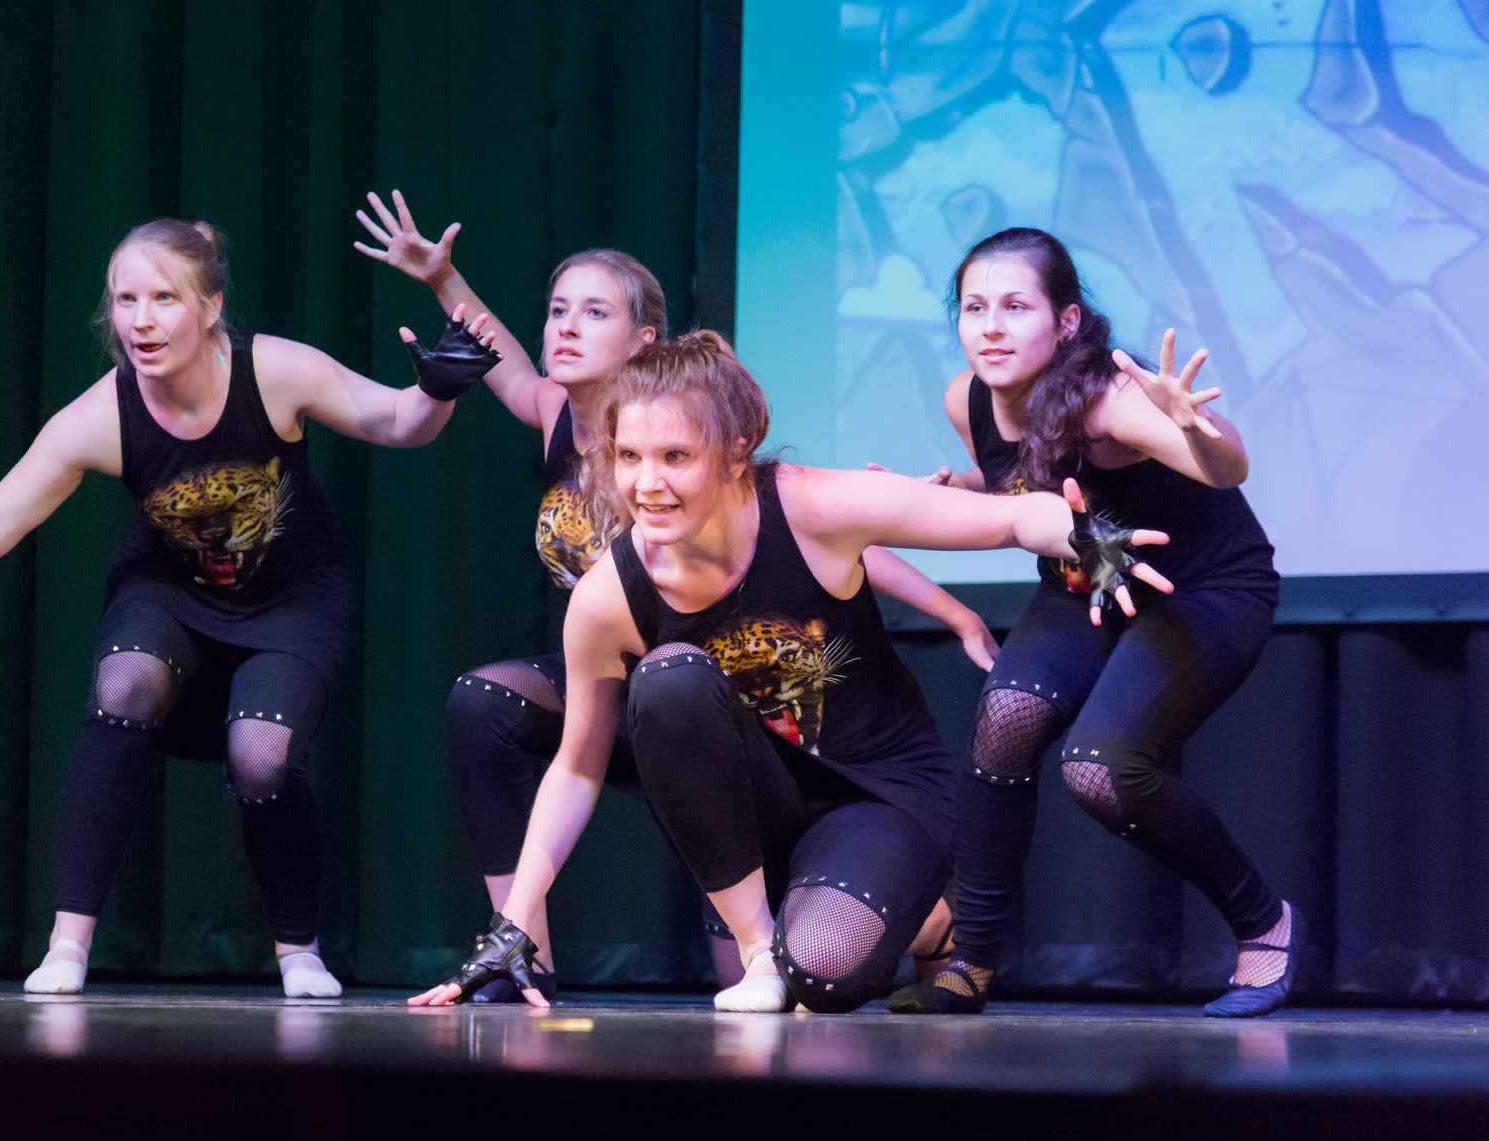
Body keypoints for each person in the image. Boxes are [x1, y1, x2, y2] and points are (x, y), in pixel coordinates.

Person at [0, 218, 499, 997]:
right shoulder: (102, 415)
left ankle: (298, 950)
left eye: (164, 298)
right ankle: (68, 946)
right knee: (124, 685)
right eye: (125, 300)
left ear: (210, 306)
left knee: (261, 757)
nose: (141, 320)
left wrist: (439, 388)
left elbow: (398, 422)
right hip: (169, 590)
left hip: (293, 597)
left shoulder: (274, 371)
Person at [409, 330, 1166, 1012]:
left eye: (676, 457)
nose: (647, 483)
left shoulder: (814, 508)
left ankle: (931, 922)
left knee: (826, 976)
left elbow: (1011, 518)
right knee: (670, 675)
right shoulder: (608, 598)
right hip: (752, 805)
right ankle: (758, 950)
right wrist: (515, 922)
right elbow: (578, 766)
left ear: (737, 450)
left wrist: (1083, 536)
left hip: (878, 793)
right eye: (629, 457)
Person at [356, 192, 985, 997]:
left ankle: (904, 917)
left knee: (793, 973)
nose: (565, 328)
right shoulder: (555, 414)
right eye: (557, 311)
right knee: (484, 702)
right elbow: (497, 349)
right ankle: (522, 946)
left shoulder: (697, 442)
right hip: (636, 689)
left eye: (594, 312)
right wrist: (443, 280)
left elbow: (822, 543)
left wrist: (953, 608)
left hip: (715, 700)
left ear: (644, 341)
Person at [889, 226, 1297, 1019]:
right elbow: (1025, 481)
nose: (991, 327)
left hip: (1202, 589)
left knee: (1099, 770)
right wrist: (948, 491)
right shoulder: (967, 398)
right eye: (974, 308)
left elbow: (1227, 469)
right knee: (1006, 719)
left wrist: (1191, 425)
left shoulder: (1109, 401)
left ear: (1067, 320)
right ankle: (970, 959)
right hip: (1087, 584)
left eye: (1016, 307)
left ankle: (1265, 922)